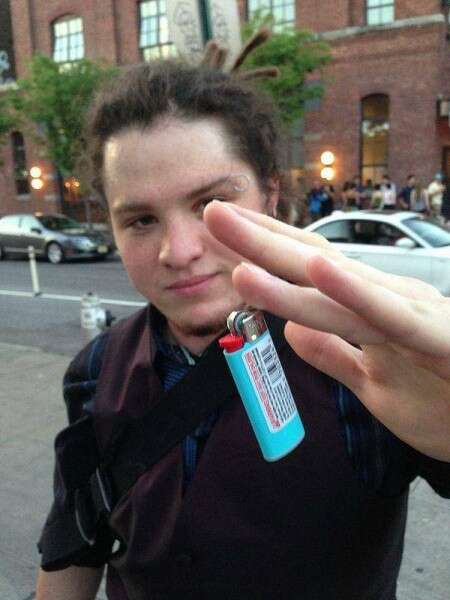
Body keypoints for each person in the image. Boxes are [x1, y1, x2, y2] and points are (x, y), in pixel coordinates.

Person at [36, 58, 450, 600]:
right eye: (141, 220)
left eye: (211, 204)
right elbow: (74, 542)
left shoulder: (370, 361)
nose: (178, 251)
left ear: (269, 197)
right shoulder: (94, 369)